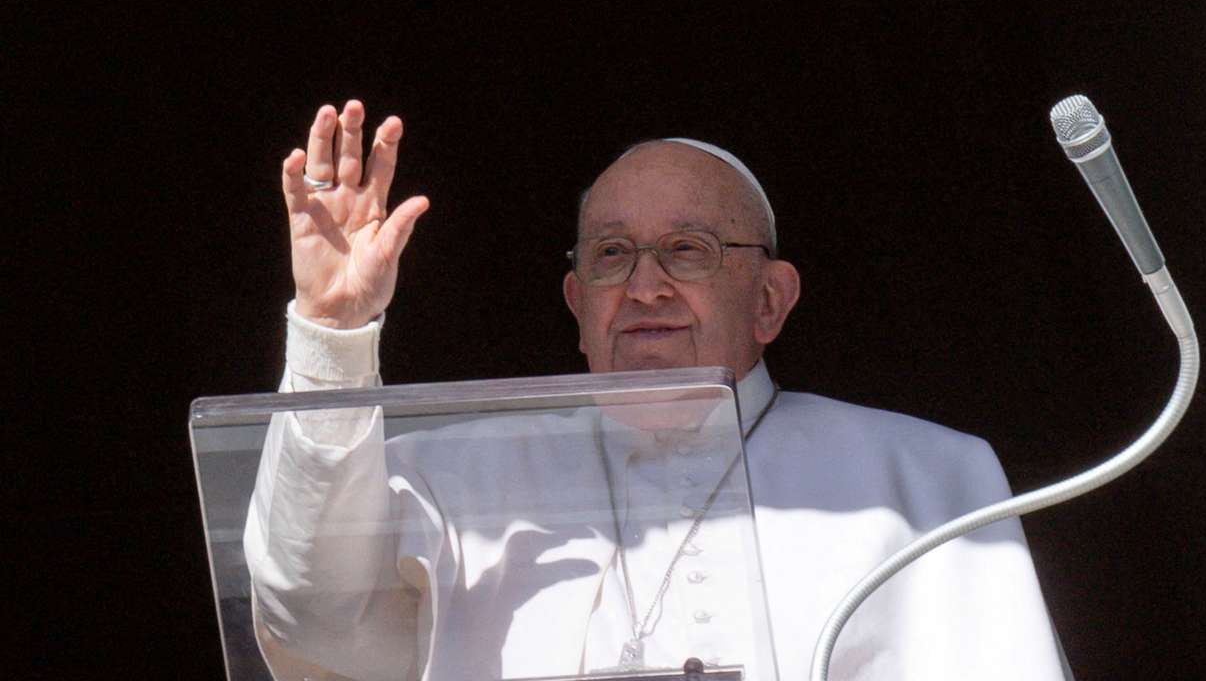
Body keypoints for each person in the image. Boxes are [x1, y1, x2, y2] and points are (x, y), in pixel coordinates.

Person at [245, 100, 1070, 680]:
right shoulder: (450, 478)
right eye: (611, 256)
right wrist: (332, 329)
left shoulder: (922, 479)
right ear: (578, 307)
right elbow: (311, 613)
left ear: (771, 300)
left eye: (688, 249)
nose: (645, 288)